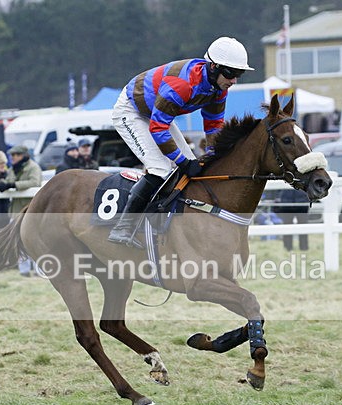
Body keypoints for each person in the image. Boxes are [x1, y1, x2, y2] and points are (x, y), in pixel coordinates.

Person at [108, 36, 253, 247]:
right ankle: (124, 227)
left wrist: (214, 157)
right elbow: (158, 128)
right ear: (213, 67)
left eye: (238, 74)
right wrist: (183, 161)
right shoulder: (182, 85)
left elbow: (213, 126)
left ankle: (164, 220)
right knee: (162, 168)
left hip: (156, 113)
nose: (234, 81)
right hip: (132, 111)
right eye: (231, 73)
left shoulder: (219, 89)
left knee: (189, 167)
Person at [3, 145, 43, 276]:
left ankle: (38, 269)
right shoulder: (13, 169)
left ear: (24, 155)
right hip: (16, 210)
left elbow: (35, 182)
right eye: (12, 155)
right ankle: (24, 270)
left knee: (34, 241)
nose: (13, 157)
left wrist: (14, 185)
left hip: (30, 209)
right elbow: (9, 181)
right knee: (18, 242)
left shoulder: (33, 167)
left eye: (17, 155)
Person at [274, 188, 310, 252]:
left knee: (303, 226)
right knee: (287, 226)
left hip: (302, 202)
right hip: (286, 202)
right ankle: (288, 247)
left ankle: (304, 248)